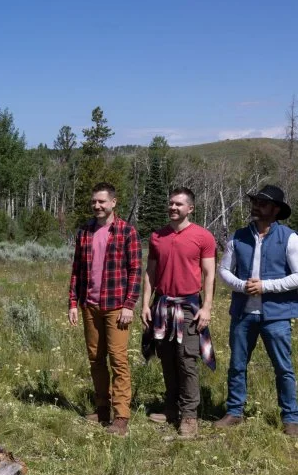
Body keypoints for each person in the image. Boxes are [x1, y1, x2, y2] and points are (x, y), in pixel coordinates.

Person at [216, 185, 298, 437]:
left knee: (283, 367)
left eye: (262, 203)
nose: (256, 206)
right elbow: (224, 271)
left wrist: (266, 286)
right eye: (255, 201)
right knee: (237, 365)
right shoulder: (237, 237)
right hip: (243, 313)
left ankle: (291, 418)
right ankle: (234, 411)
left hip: (277, 315)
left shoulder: (290, 238)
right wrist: (242, 286)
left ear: (275, 210)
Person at [140, 188, 216, 438]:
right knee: (167, 358)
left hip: (188, 306)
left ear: (190, 209)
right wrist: (145, 305)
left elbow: (209, 274)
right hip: (162, 305)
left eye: (179, 204)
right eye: (171, 203)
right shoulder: (157, 236)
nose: (173, 207)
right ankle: (171, 408)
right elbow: (150, 272)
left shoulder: (203, 237)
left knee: (187, 360)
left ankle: (190, 416)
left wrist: (206, 307)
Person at [68, 182, 141, 436]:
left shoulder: (126, 232)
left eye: (101, 201)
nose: (97, 206)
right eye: (94, 202)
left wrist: (129, 304)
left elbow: (135, 272)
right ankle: (102, 409)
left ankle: (121, 416)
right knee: (96, 359)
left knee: (118, 360)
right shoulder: (85, 232)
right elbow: (76, 271)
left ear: (113, 203)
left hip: (116, 307)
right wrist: (73, 303)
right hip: (90, 305)